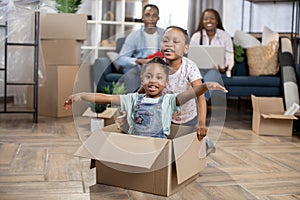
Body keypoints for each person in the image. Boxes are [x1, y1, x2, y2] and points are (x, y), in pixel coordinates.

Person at [64, 57, 227, 139]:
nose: (153, 81)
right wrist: (81, 95)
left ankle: (204, 144)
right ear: (141, 80)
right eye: (148, 77)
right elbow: (106, 97)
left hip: (158, 147)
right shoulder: (133, 99)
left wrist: (207, 86)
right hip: (136, 145)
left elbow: (191, 93)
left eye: (158, 77)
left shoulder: (169, 101)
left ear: (166, 82)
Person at [117, 4, 164, 93]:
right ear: (142, 17)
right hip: (141, 68)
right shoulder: (134, 36)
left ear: (158, 18)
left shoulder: (165, 34)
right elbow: (121, 59)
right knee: (130, 74)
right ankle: (135, 103)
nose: (151, 18)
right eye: (147, 15)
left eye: (154, 15)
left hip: (161, 67)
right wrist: (140, 61)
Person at [190, 8, 234, 78]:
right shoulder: (196, 36)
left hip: (220, 72)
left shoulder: (225, 36)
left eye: (212, 18)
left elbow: (229, 56)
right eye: (206, 19)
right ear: (202, 22)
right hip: (199, 72)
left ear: (217, 21)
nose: (209, 21)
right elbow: (191, 58)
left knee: (212, 74)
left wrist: (225, 67)